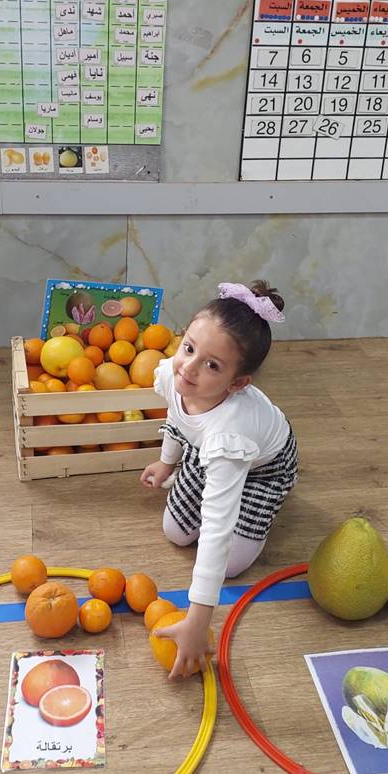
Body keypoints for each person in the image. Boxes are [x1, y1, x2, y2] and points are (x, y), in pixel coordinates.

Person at [140, 281, 299, 680]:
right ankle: (221, 483)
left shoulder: (230, 433)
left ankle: (259, 506)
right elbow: (179, 417)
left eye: (212, 365)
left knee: (228, 564)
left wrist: (197, 621)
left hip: (263, 469)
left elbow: (216, 528)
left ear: (238, 383)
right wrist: (166, 462)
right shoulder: (174, 374)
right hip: (209, 451)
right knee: (176, 532)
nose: (189, 368)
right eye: (189, 348)